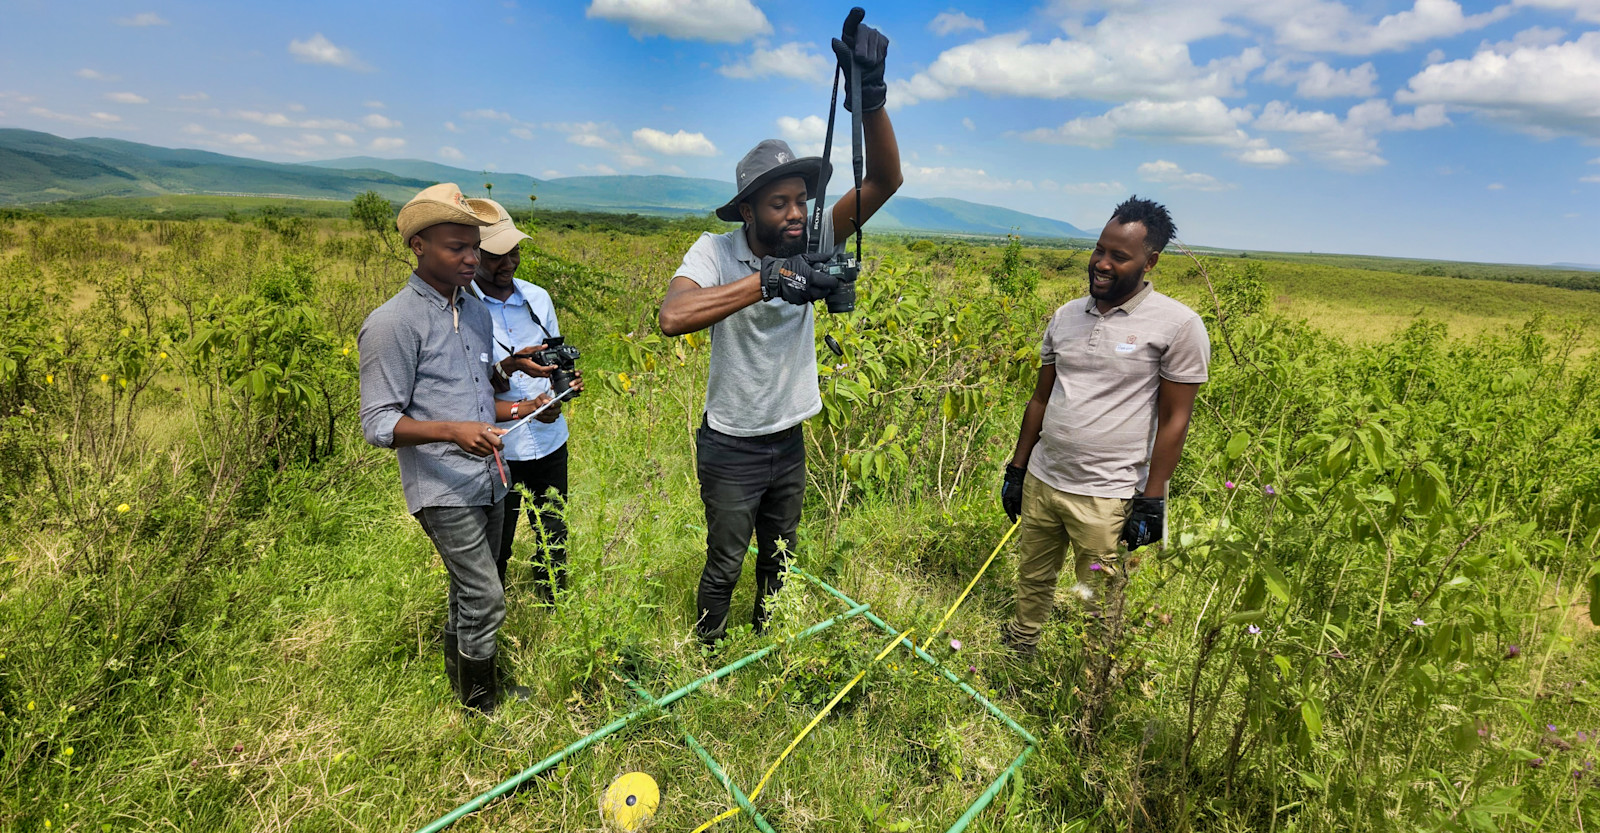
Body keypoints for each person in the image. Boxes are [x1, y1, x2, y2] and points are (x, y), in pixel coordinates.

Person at [657, 10, 902, 644]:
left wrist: (870, 96)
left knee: (782, 555)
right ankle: (709, 657)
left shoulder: (814, 236)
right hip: (731, 443)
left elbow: (884, 180)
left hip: (788, 435)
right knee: (724, 560)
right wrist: (765, 280)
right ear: (747, 210)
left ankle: (771, 648)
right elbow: (672, 316)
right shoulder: (713, 252)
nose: (796, 213)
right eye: (779, 203)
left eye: (801, 200)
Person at [358, 183, 552, 713]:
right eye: (456, 248)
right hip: (442, 486)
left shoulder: (473, 309)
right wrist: (451, 431)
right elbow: (377, 422)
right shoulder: (393, 323)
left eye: (475, 247)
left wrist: (514, 376)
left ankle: (463, 689)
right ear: (418, 246)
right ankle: (482, 703)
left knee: (469, 591)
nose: (472, 259)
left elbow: (472, 386)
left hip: (490, 474)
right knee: (488, 595)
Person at [998, 196, 1210, 657]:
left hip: (1107, 495)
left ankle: (1092, 680)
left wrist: (1152, 500)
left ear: (1150, 261)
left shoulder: (1178, 326)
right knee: (1032, 576)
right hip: (1043, 479)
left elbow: (1177, 419)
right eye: (1099, 250)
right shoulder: (1066, 315)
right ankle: (1019, 647)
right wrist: (1017, 470)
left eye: (1119, 256)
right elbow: (1040, 398)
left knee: (1096, 601)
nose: (1102, 263)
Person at [469, 200, 582, 602]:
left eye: (513, 252)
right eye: (496, 256)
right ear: (474, 254)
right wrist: (511, 367)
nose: (508, 263)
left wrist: (559, 396)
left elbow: (553, 365)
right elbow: (465, 388)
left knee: (553, 533)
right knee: (496, 541)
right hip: (498, 447)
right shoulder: (463, 308)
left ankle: (553, 605)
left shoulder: (537, 299)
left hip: (549, 443)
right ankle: (490, 614)